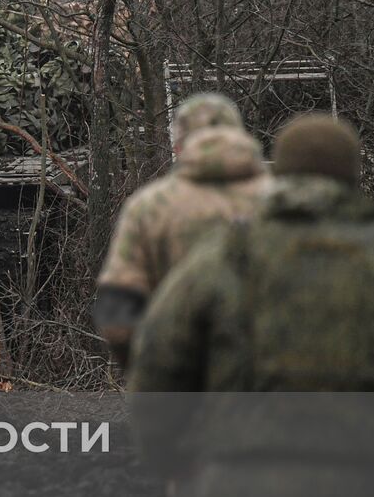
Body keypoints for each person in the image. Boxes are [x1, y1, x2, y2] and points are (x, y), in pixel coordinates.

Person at [129, 114, 374, 497]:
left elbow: (158, 370)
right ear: (352, 177)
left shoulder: (223, 260)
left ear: (279, 175)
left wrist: (172, 463)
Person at [95, 92, 268, 367]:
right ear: (240, 138)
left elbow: (118, 315)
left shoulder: (151, 208)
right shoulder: (282, 199)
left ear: (178, 146)